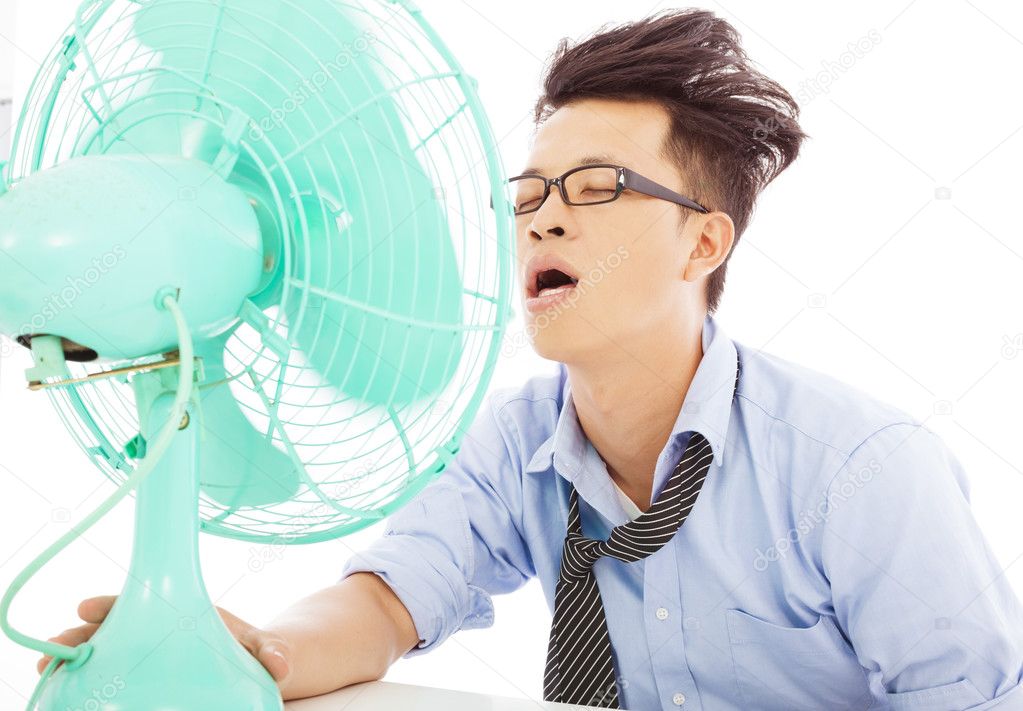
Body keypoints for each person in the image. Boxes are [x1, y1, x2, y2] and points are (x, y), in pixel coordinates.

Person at [39, 8, 1023, 709]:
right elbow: (389, 599)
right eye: (529, 194)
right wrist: (263, 655)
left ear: (704, 245)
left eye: (596, 188)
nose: (544, 216)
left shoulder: (859, 469)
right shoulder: (518, 445)